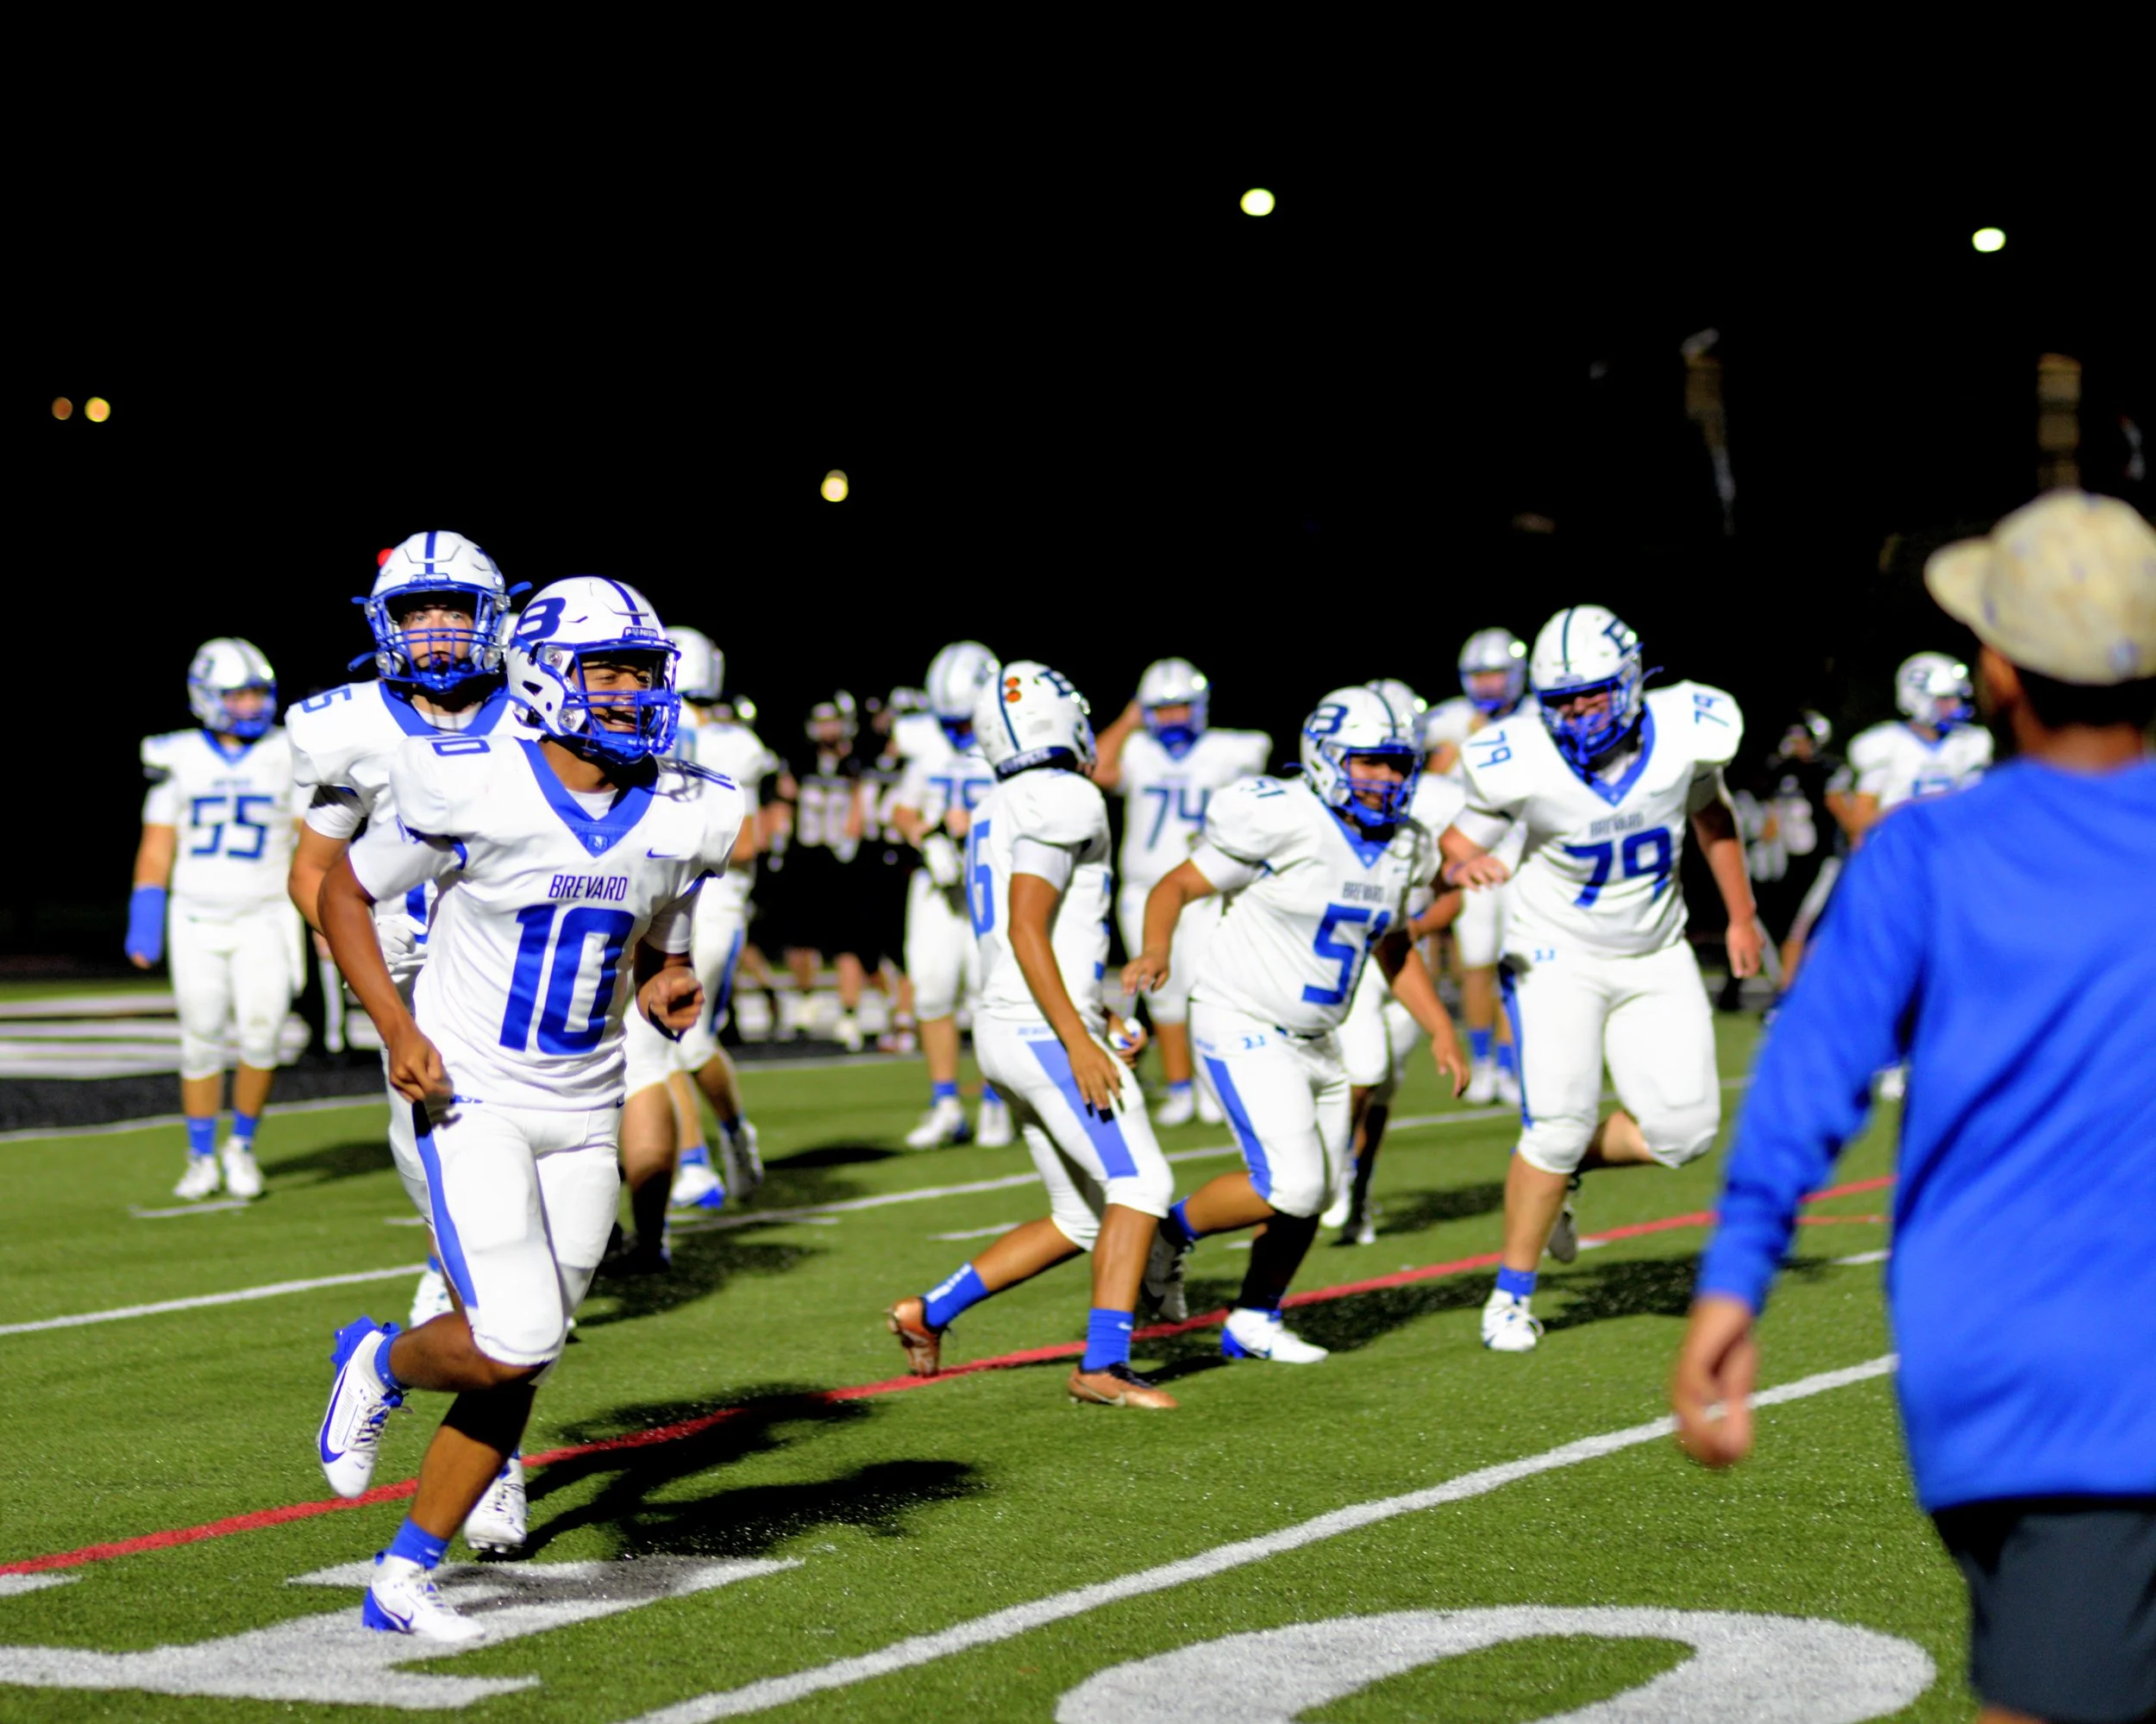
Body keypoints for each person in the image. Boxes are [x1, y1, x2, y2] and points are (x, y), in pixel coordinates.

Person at [1676, 490, 2156, 1724]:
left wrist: (1733, 1281)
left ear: (1998, 670)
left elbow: (1808, 1072)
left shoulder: (1924, 854)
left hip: (2020, 1377)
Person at [316, 576, 743, 1642]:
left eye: (642, 673)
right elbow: (343, 892)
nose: (633, 693)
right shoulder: (473, 781)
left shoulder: (689, 805)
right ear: (547, 675)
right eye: (610, 671)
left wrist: (668, 968)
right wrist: (396, 1027)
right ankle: (377, 1359)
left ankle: (402, 1575)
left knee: (531, 1349)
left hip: (588, 1103)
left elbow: (668, 903)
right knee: (512, 1336)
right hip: (475, 1092)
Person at [1438, 605, 1763, 1354]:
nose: (1579, 712)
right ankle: (1510, 1297)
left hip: (1655, 951)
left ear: (1630, 681)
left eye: (1591, 693)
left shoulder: (1686, 729)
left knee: (1685, 1132)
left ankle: (1560, 1168)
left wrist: (1742, 915)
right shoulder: (1518, 755)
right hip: (1558, 956)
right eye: (1561, 700)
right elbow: (1455, 842)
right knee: (1555, 1124)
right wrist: (1463, 864)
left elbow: (1712, 815)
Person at [1128, 687, 1469, 1362]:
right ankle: (1167, 1234)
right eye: (1370, 762)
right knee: (1294, 1183)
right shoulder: (1284, 818)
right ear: (1325, 757)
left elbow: (1391, 942)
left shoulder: (1404, 844)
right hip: (1242, 1016)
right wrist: (1156, 947)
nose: (1388, 777)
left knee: (1316, 1188)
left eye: (1398, 763)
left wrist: (1440, 1027)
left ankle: (1255, 1317)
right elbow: (1176, 884)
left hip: (1319, 1037)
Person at [885, 661, 1179, 1407]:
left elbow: (1042, 932)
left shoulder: (999, 802)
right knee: (1142, 1184)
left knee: (1081, 1218)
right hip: (1041, 1027)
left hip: (1010, 1023)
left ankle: (928, 1311)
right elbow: (1026, 925)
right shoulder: (1066, 794)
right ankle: (1104, 1364)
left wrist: (1098, 1017)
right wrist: (1079, 1038)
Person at [287, 531, 521, 1338]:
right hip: (421, 975)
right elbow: (310, 871)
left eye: (452, 611)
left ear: (491, 617)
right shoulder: (352, 728)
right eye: (416, 615)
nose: (435, 631)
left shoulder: (538, 710)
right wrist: (353, 947)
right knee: (435, 1144)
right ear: (386, 624)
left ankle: (499, 1283)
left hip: (525, 961)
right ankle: (460, 1285)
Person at [127, 637, 302, 1201]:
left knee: (263, 1035)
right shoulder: (178, 755)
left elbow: (311, 843)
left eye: (257, 693)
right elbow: (158, 846)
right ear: (206, 697)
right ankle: (200, 1156)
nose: (251, 705)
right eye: (238, 695)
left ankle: (241, 1146)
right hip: (196, 916)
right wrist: (144, 916)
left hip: (266, 915)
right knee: (200, 1039)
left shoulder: (289, 749)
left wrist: (324, 916)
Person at [1092, 658, 1271, 1126]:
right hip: (1144, 888)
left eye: (1180, 707)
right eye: (1161, 709)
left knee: (1208, 988)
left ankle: (1213, 1086)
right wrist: (1128, 720)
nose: (1172, 718)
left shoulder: (1229, 749)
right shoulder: (1137, 750)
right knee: (1163, 995)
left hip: (1205, 887)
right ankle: (1180, 1089)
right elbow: (1096, 769)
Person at [1330, 679, 1464, 1244]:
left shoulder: (1438, 798)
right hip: (1357, 960)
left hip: (1406, 960)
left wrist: (1411, 928)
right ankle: (1333, 1168)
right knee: (1364, 1071)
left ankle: (1359, 1192)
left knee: (1384, 1089)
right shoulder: (1337, 798)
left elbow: (1452, 890)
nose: (1386, 772)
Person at [892, 641, 1012, 1150]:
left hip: (992, 882)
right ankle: (946, 1105)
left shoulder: (1011, 747)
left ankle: (996, 1101)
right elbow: (901, 808)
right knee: (932, 991)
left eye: (964, 721)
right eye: (949, 722)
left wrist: (978, 825)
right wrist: (926, 835)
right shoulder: (928, 744)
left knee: (990, 994)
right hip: (937, 887)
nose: (956, 732)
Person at [1424, 628, 1531, 1106]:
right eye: (1479, 675)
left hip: (1525, 856)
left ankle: (1508, 1065)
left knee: (1516, 964)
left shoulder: (1538, 717)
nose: (1487, 685)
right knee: (1476, 961)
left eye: (1496, 675)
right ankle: (1483, 1062)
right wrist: (1442, 763)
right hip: (1474, 857)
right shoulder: (1451, 720)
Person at [1841, 652, 1994, 843]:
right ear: (1918, 698)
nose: (1955, 705)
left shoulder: (1970, 742)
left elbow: (1977, 808)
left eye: (1957, 697)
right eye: (1945, 699)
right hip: (1900, 846)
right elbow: (1860, 821)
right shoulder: (1886, 743)